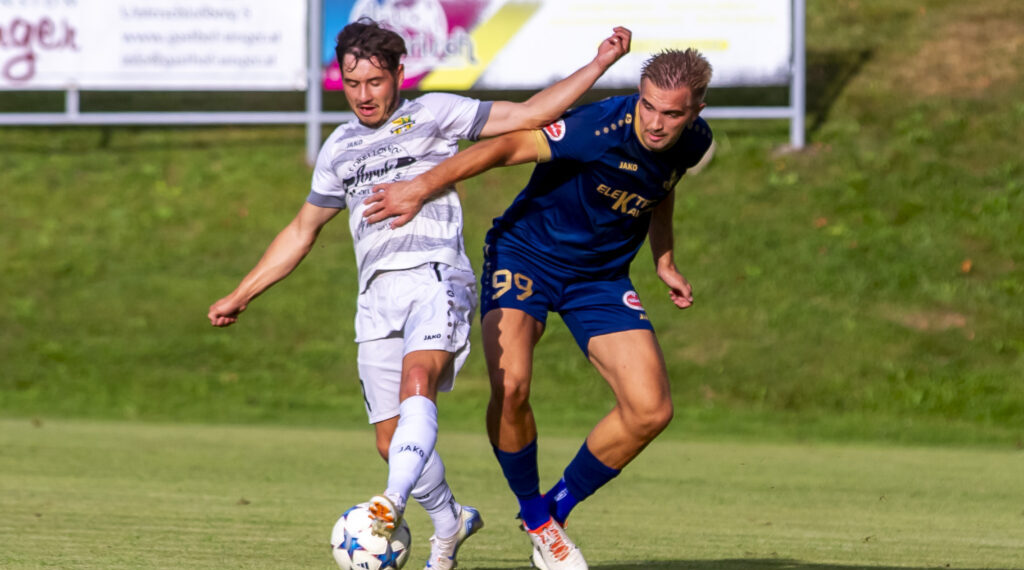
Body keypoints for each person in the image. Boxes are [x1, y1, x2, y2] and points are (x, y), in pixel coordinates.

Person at [207, 18, 631, 570]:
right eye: (352, 84)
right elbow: (301, 230)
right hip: (374, 297)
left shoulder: (433, 113)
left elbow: (530, 114)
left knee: (418, 381)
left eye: (374, 82)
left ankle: (389, 503)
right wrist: (242, 293)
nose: (363, 95)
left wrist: (599, 63)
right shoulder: (338, 148)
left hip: (436, 276)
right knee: (391, 442)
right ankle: (451, 520)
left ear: (398, 75)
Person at [362, 48, 714, 570]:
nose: (655, 123)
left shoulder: (694, 141)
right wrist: (418, 188)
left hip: (600, 279)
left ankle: (550, 514)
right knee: (511, 386)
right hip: (525, 255)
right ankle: (537, 516)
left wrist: (663, 259)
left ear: (696, 111)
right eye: (648, 106)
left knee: (651, 410)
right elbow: (505, 147)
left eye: (672, 114)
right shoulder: (598, 127)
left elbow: (660, 187)